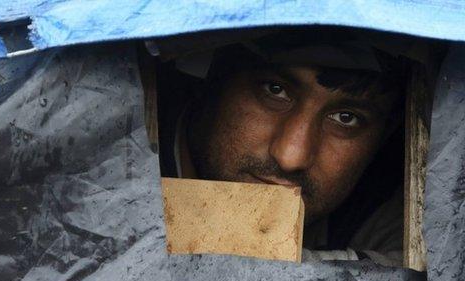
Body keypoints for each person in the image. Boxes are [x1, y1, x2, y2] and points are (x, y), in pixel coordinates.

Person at [158, 29, 407, 265]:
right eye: (275, 90)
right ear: (211, 78)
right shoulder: (128, 162)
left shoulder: (397, 207)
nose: (291, 156)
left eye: (345, 118)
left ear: (385, 134)